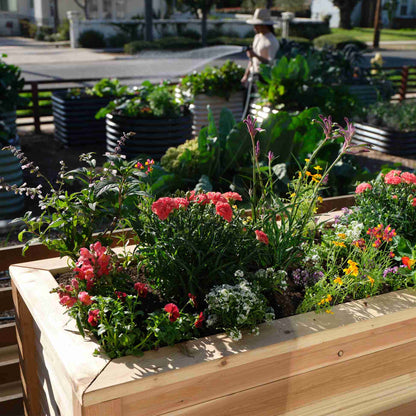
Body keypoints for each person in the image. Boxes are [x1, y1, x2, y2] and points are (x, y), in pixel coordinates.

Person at [241, 8, 280, 86]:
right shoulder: (257, 37)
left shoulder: (271, 41)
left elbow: (270, 62)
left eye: (256, 25)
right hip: (253, 74)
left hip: (264, 76)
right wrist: (246, 75)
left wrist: (255, 55)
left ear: (263, 25)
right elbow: (252, 60)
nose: (254, 27)